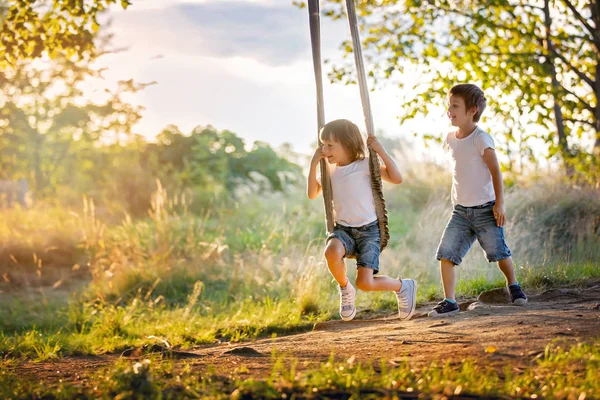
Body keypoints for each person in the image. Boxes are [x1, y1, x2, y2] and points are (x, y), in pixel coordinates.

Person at [430, 84, 527, 317]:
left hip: (486, 210)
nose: (449, 110)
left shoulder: (481, 138)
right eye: (449, 105)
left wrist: (499, 204)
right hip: (460, 212)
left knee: (499, 252)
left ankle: (513, 286)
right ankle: (450, 301)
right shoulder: (450, 138)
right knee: (446, 253)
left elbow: (496, 172)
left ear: (472, 110)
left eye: (455, 106)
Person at [307, 119, 417, 321]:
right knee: (331, 251)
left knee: (365, 283)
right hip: (343, 230)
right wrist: (314, 164)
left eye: (330, 145)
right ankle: (344, 288)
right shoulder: (329, 171)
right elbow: (312, 194)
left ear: (348, 144)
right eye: (323, 144)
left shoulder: (365, 164)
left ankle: (403, 286)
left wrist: (380, 150)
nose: (324, 149)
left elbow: (396, 178)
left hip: (369, 231)